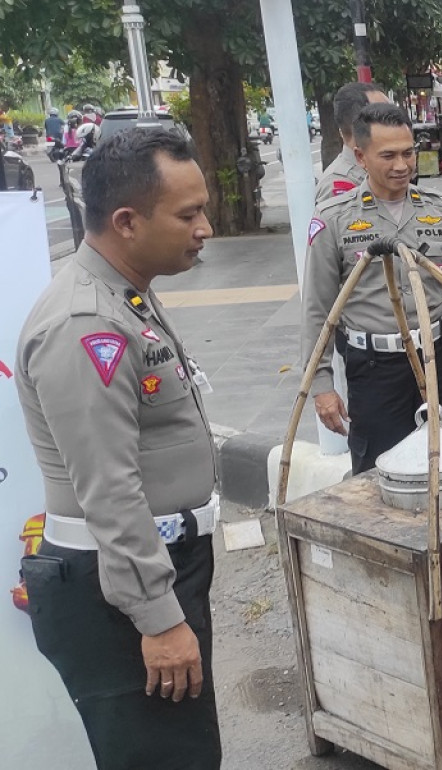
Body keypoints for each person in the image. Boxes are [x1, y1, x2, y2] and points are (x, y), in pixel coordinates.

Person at [15, 128, 221, 769]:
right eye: (188, 214)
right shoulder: (87, 324)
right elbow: (109, 487)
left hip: (150, 569)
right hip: (117, 592)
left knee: (181, 750)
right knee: (163, 758)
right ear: (127, 221)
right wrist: (158, 620)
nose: (205, 228)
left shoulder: (125, 293)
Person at [302, 102, 442, 473]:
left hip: (438, 357)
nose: (401, 165)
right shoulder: (334, 220)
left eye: (408, 153)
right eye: (387, 155)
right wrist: (321, 385)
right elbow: (317, 310)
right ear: (361, 156)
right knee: (379, 472)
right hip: (374, 369)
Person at [315, 82, 391, 203]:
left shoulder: (376, 171)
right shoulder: (339, 186)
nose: (397, 124)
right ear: (358, 126)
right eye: (387, 118)